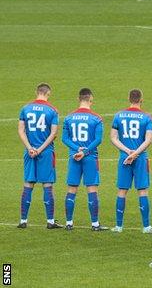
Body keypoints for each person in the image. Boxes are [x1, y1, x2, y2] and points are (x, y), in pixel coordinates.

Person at [110, 89, 152, 234]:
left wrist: (128, 152)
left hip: (124, 158)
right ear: (141, 99)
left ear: (129, 98)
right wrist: (136, 153)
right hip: (141, 158)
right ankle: (146, 227)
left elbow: (113, 137)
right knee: (142, 190)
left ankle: (118, 227)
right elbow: (148, 140)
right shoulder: (147, 117)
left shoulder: (118, 116)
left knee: (122, 191)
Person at [17, 83, 62, 229]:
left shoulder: (25, 108)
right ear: (48, 93)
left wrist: (30, 148)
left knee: (28, 184)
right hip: (46, 152)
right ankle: (50, 221)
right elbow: (53, 133)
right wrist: (41, 149)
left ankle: (23, 221)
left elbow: (21, 130)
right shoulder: (52, 110)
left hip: (29, 152)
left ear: (37, 92)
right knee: (47, 185)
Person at [62, 88, 107, 231]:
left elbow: (64, 139)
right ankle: (95, 224)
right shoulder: (96, 118)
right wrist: (85, 151)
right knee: (92, 188)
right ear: (91, 99)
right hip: (90, 157)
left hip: (74, 156)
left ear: (78, 99)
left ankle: (69, 223)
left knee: (71, 189)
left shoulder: (69, 118)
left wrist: (77, 150)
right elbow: (98, 139)